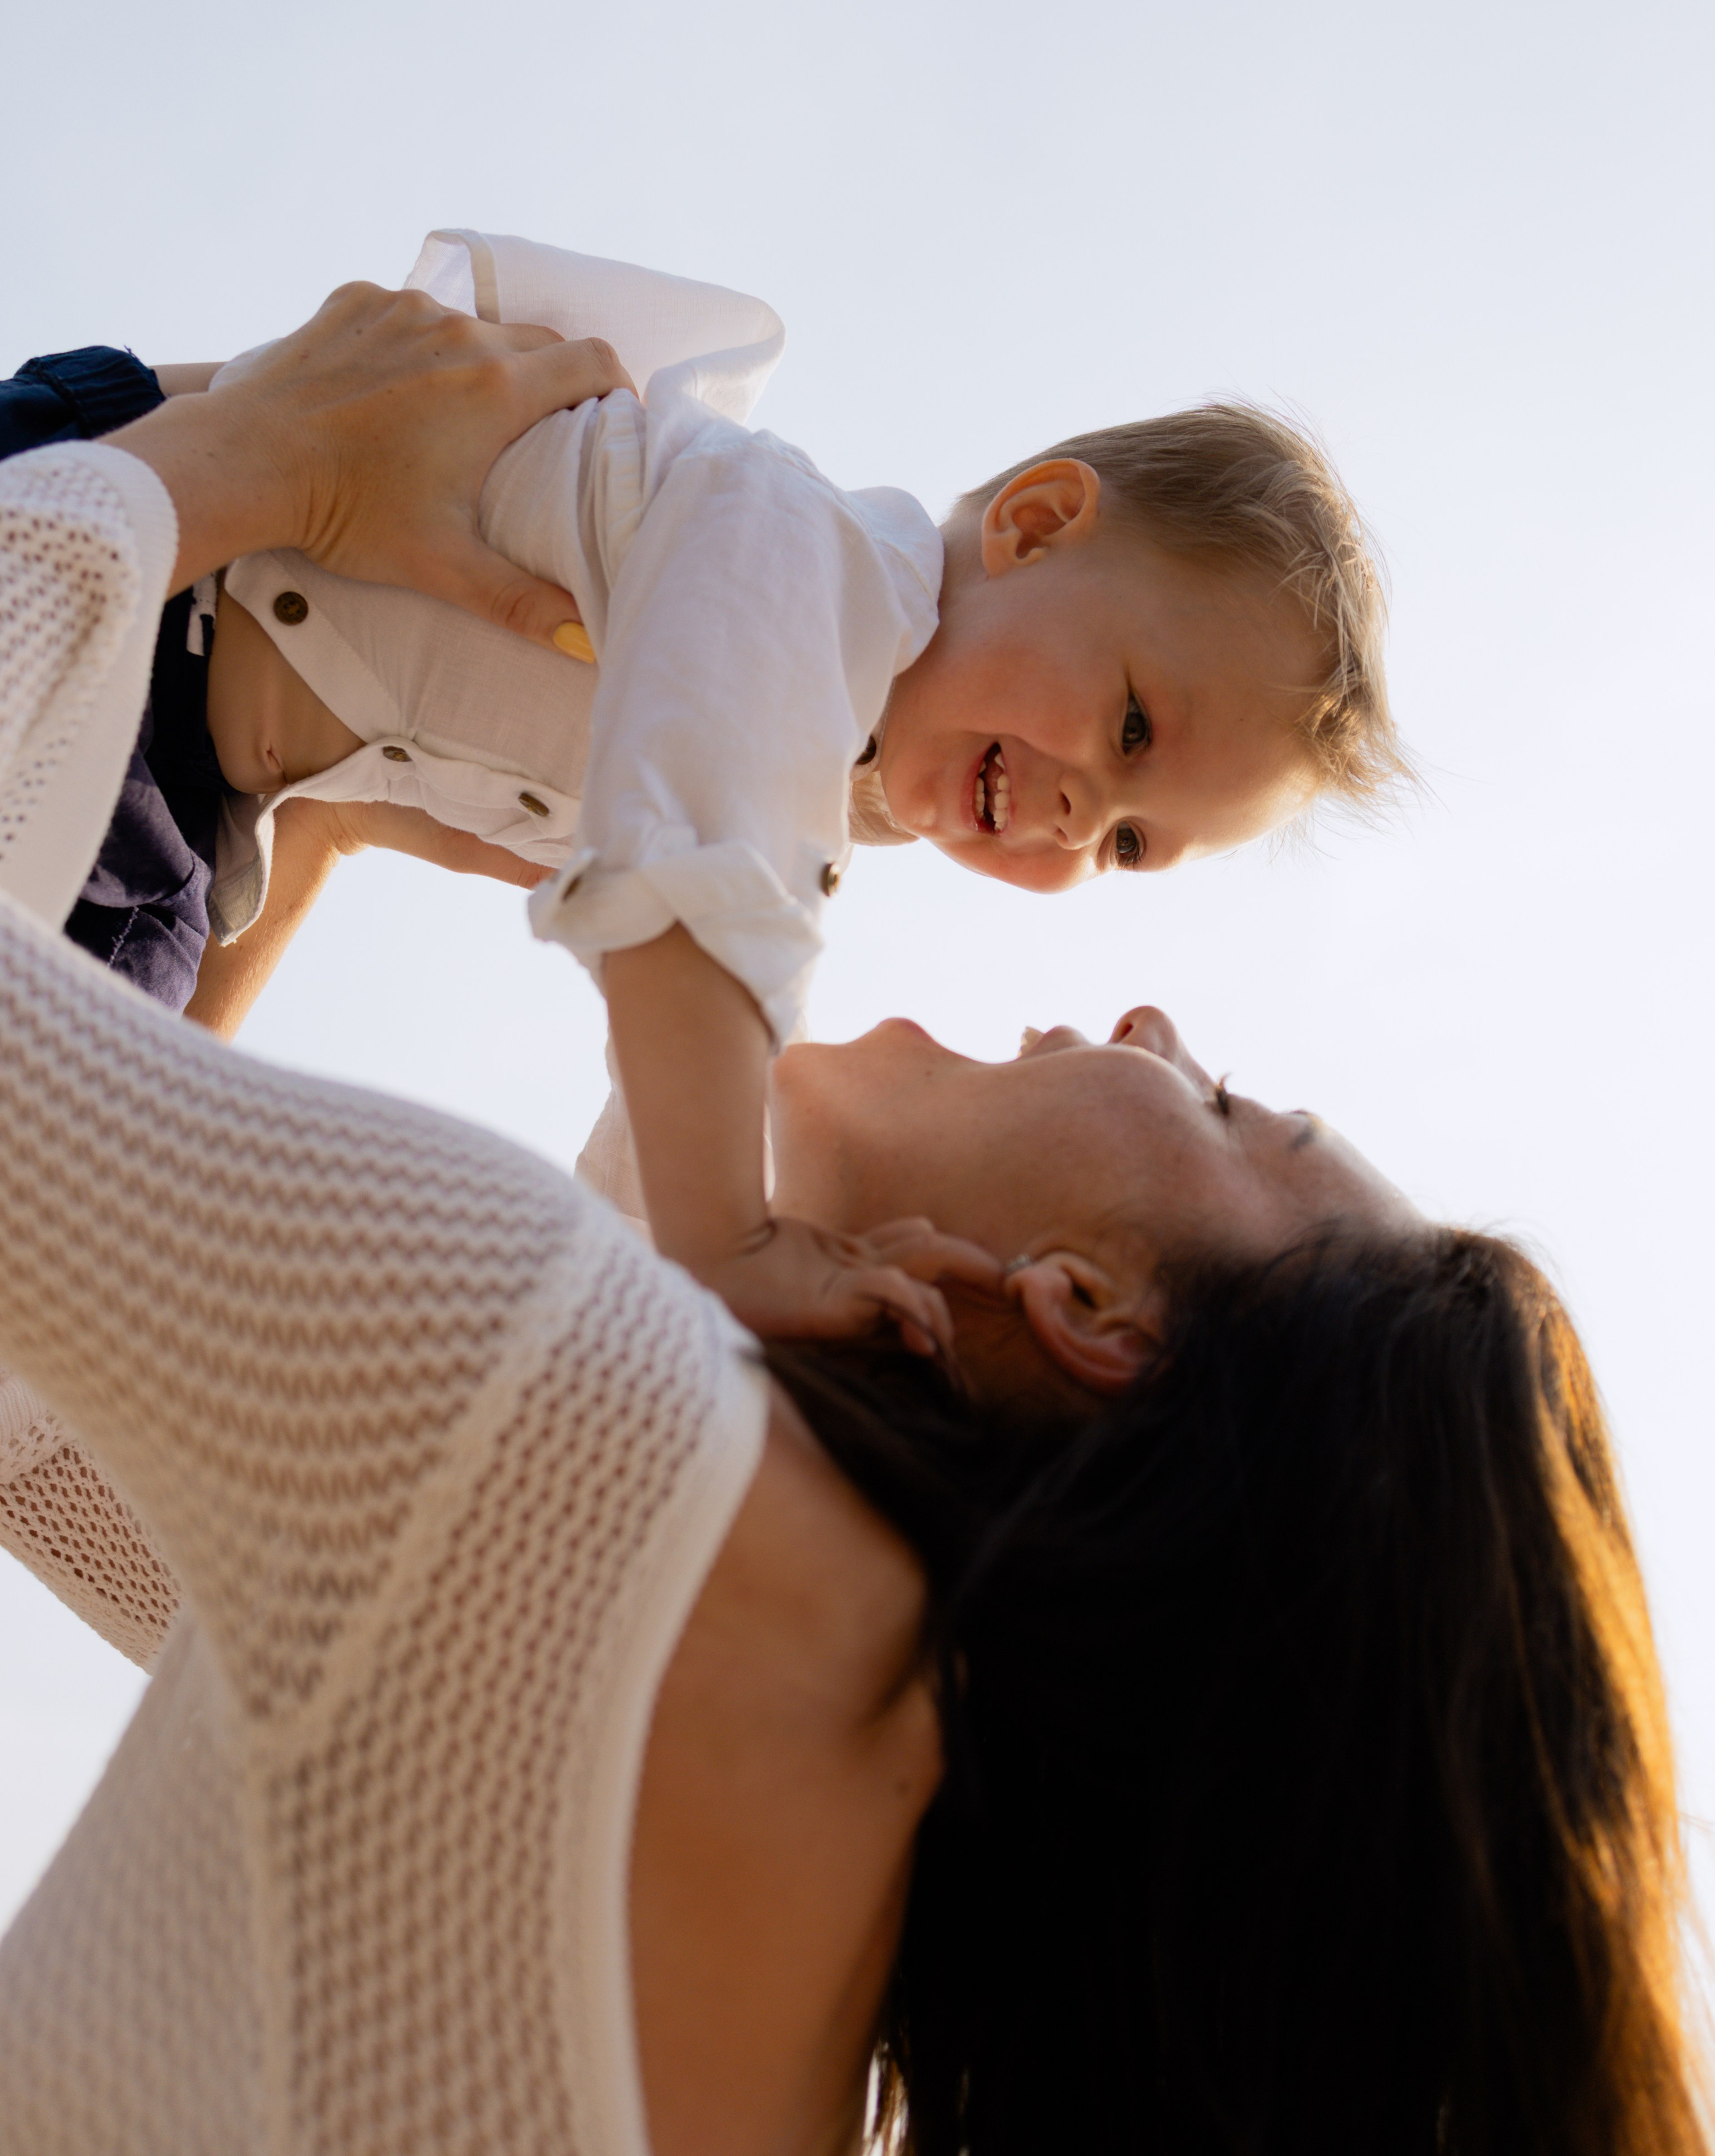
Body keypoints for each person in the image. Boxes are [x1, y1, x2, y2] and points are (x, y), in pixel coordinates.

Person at [0, 293, 1706, 2156]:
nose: (1137, 1007)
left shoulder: (576, 1429)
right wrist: (299, 825)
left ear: (1088, 1312)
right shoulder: (831, 1901)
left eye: (1222, 1105)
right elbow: (97, 1472)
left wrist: (214, 475)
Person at [8, 227, 1403, 1345]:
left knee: (65, 1242)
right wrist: (730, 1243)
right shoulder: (803, 563)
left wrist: (668, 1320)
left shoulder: (828, 771)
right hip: (125, 549)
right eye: (1133, 727)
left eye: (1126, 843)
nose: (1075, 814)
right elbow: (690, 891)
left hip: (178, 785)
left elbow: (664, 1062)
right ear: (1033, 528)